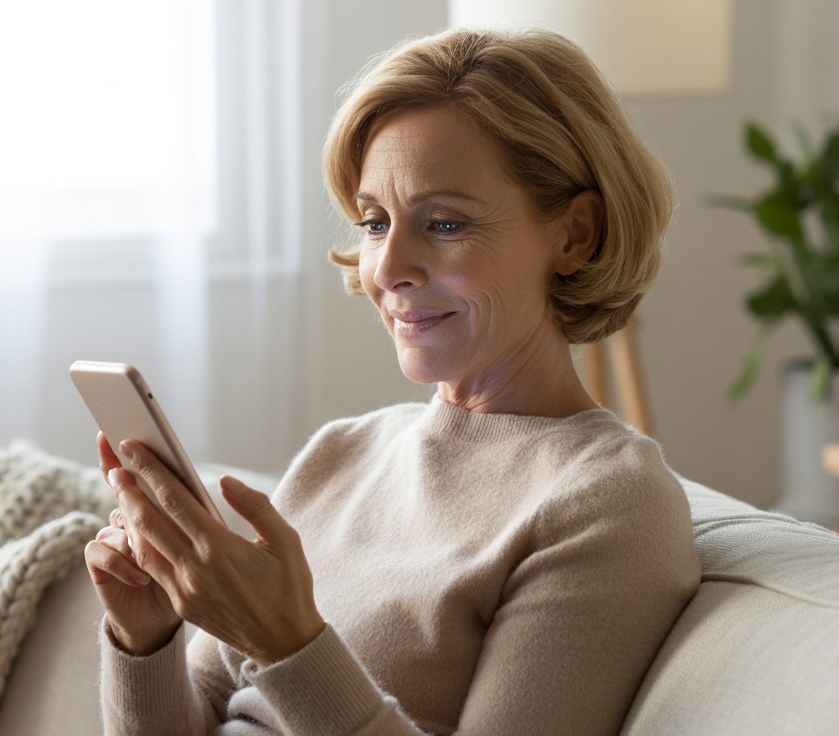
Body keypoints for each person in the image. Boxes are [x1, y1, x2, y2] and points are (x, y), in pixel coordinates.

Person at [83, 26, 701, 735]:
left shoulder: (606, 501)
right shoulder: (341, 455)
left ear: (576, 235)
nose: (388, 266)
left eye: (443, 222)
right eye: (375, 222)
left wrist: (289, 646)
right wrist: (145, 639)